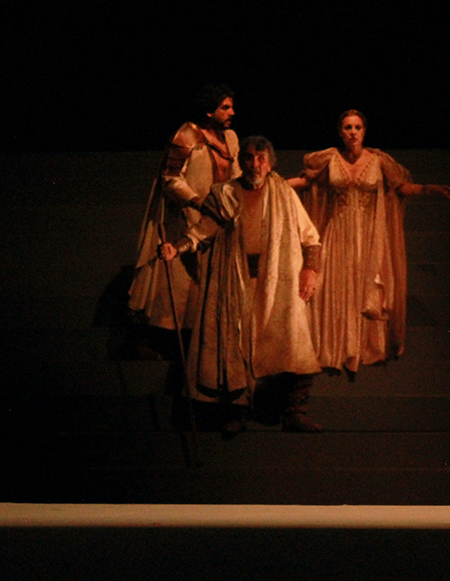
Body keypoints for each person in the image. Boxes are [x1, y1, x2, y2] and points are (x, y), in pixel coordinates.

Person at [159, 136, 323, 437]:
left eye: (261, 158)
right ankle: (238, 412)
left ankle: (294, 412)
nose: (254, 164)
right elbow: (202, 230)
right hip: (237, 281)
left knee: (295, 344)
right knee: (238, 346)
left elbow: (310, 236)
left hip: (280, 281)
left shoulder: (284, 193)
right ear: (242, 162)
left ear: (270, 162)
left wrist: (310, 270)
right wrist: (178, 248)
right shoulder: (225, 194)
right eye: (248, 158)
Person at [286, 110, 450, 375]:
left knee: (366, 287)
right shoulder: (329, 159)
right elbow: (307, 181)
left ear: (364, 131)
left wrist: (430, 189)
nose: (353, 132)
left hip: (369, 235)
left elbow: (401, 187)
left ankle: (364, 346)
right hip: (338, 231)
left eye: (357, 127)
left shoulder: (378, 161)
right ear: (340, 132)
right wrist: (275, 186)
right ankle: (332, 348)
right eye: (347, 127)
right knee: (333, 285)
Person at [128, 84, 240, 354]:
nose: (232, 112)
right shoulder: (187, 134)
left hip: (219, 218)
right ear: (209, 110)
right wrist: (197, 202)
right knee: (180, 283)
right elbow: (169, 178)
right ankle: (164, 340)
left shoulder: (232, 138)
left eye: (231, 106)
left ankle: (203, 340)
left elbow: (234, 174)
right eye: (225, 107)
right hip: (186, 216)